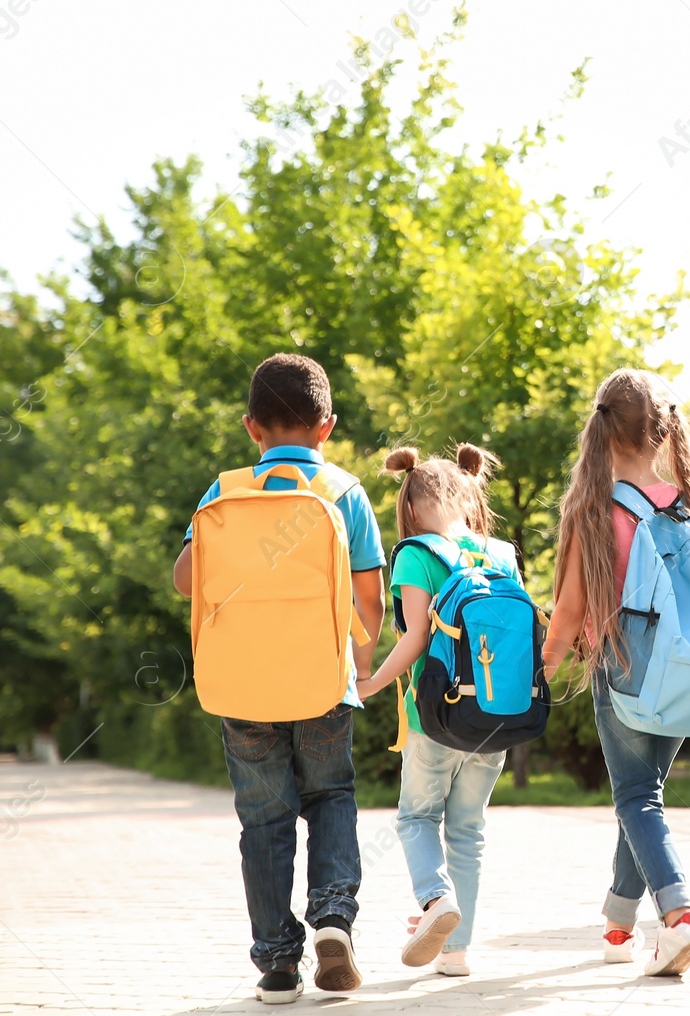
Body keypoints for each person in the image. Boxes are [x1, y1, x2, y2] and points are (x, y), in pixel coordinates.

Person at [171, 353, 385, 1004]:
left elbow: (186, 578)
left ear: (251, 427)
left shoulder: (223, 490)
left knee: (263, 820)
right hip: (323, 679)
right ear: (328, 426)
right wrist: (363, 655)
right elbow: (369, 598)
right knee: (330, 796)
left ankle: (276, 964)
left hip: (239, 684)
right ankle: (332, 919)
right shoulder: (344, 491)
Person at [542, 367, 690, 977]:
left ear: (602, 432)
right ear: (663, 434)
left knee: (636, 798)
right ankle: (616, 927)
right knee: (645, 798)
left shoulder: (593, 510)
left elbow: (570, 612)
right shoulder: (688, 508)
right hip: (686, 672)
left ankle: (680, 917)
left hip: (626, 670)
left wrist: (542, 670)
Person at [356, 443, 517, 978]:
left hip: (437, 717)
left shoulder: (414, 554)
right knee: (468, 831)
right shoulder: (502, 552)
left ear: (409, 505)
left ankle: (434, 901)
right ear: (470, 498)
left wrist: (372, 681)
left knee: (416, 817)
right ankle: (457, 952)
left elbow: (416, 637)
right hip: (497, 717)